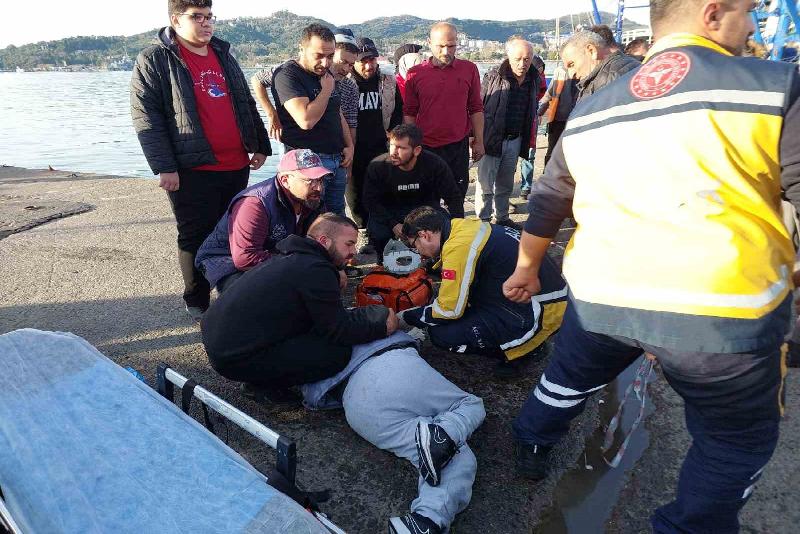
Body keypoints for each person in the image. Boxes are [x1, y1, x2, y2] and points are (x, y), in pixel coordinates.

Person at [503, 0, 800, 531]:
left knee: (567, 377)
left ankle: (531, 440)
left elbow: (549, 198)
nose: (754, 25)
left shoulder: (595, 107)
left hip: (603, 292)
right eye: (749, 12)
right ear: (713, 14)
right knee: (733, 439)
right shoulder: (773, 87)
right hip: (720, 307)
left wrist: (527, 267)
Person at [130, 0, 270, 322]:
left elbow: (245, 102)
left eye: (210, 17)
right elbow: (146, 117)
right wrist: (164, 166)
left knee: (233, 231)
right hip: (192, 168)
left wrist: (259, 144)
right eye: (198, 17)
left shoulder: (223, 53)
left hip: (235, 163)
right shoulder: (155, 58)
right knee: (195, 234)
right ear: (176, 20)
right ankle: (197, 299)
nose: (207, 24)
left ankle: (229, 291)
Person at [302, 331, 485, 534]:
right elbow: (388, 320)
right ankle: (444, 434)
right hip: (392, 365)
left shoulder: (293, 352)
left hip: (355, 406)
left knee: (449, 454)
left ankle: (426, 522)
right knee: (471, 405)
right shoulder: (343, 318)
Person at [201, 213, 398, 402]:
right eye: (349, 244)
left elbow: (324, 317)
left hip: (222, 344)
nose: (354, 252)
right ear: (324, 241)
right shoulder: (315, 270)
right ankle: (261, 385)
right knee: (336, 355)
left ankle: (261, 372)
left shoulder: (293, 257)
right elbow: (338, 330)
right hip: (234, 358)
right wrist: (380, 323)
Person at [400, 206, 566, 378]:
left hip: (539, 311)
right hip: (546, 296)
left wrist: (407, 317)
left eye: (415, 246)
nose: (418, 253)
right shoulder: (462, 227)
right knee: (466, 298)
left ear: (424, 235)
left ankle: (524, 351)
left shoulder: (458, 247)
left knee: (441, 335)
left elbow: (449, 310)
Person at [195, 149, 327, 293]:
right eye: (310, 180)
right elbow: (245, 258)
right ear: (285, 180)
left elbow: (321, 240)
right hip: (227, 261)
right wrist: (298, 263)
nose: (318, 187)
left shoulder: (311, 198)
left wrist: (332, 267)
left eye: (320, 179)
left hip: (274, 252)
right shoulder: (254, 204)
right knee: (255, 297)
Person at [269, 24, 354, 216]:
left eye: (330, 56)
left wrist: (349, 145)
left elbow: (336, 112)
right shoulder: (287, 74)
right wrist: (271, 112)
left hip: (336, 157)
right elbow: (306, 120)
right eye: (318, 56)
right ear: (302, 49)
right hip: (309, 163)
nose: (325, 63)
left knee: (337, 215)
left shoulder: (326, 74)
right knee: (310, 218)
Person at [403, 22, 484, 203]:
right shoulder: (415, 74)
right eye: (440, 46)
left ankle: (454, 229)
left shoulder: (469, 69)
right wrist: (411, 145)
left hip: (458, 145)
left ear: (457, 43)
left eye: (451, 46)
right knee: (426, 198)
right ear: (429, 43)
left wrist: (479, 140)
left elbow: (476, 107)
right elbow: (409, 112)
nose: (446, 51)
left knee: (456, 197)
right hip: (426, 146)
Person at [363, 125, 463, 261]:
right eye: (392, 145)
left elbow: (453, 197)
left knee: (445, 228)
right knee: (378, 232)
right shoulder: (378, 166)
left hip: (425, 211)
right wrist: (393, 224)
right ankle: (384, 259)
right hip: (390, 212)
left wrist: (459, 229)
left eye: (401, 148)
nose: (394, 152)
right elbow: (370, 201)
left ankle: (440, 259)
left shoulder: (434, 164)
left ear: (417, 150)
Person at [251, 29, 360, 146]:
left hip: (333, 151)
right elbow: (257, 79)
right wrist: (271, 114)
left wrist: (350, 148)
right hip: (297, 147)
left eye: (351, 65)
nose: (346, 69)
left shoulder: (348, 86)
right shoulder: (291, 71)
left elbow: (348, 121)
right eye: (342, 61)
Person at [477, 37, 542, 229]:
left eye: (527, 59)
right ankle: (483, 222)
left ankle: (502, 217)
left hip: (515, 140)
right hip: (491, 139)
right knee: (485, 186)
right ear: (508, 56)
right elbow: (478, 107)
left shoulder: (534, 79)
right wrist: (476, 137)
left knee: (505, 184)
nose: (523, 63)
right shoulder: (493, 76)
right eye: (518, 58)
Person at [345, 37, 403, 244]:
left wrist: (394, 136)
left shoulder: (387, 81)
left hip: (380, 145)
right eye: (363, 61)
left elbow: (398, 111)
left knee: (382, 190)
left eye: (372, 60)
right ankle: (362, 231)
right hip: (354, 147)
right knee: (354, 194)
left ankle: (382, 229)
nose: (369, 65)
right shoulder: (345, 82)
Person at [560, 29, 640, 101]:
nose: (571, 75)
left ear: (591, 51)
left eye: (571, 64)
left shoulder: (611, 79)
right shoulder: (623, 70)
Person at [536, 65, 579, 169]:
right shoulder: (559, 71)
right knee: (552, 151)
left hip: (575, 120)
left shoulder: (583, 70)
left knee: (570, 153)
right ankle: (548, 176)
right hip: (556, 119)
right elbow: (549, 93)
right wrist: (539, 113)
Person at [518, 54, 548, 200]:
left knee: (526, 155)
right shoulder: (538, 78)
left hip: (529, 119)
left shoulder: (534, 78)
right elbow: (543, 92)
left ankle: (525, 187)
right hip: (530, 119)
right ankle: (526, 187)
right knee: (528, 156)